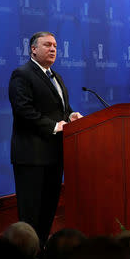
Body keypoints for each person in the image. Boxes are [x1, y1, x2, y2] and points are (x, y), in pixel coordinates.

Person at [8, 31, 82, 245]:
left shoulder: (56, 76)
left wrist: (71, 115)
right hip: (31, 156)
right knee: (31, 213)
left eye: (55, 46)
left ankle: (40, 252)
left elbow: (62, 109)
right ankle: (26, 257)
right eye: (47, 45)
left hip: (54, 155)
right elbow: (24, 110)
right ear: (33, 49)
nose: (53, 49)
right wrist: (54, 126)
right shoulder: (21, 74)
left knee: (48, 210)